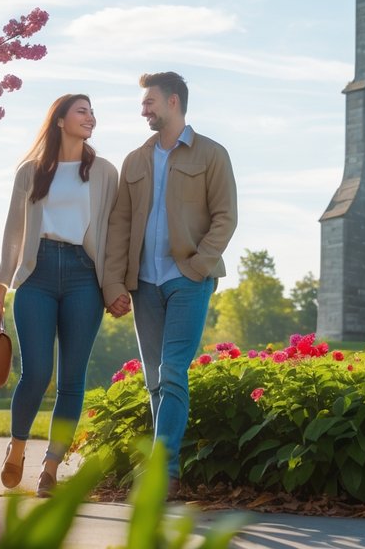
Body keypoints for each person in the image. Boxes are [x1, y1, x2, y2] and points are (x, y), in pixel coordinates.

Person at [103, 72, 237, 496]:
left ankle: (164, 471)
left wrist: (197, 266)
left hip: (187, 280)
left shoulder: (212, 154)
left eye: (150, 102)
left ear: (174, 102)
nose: (143, 110)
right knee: (154, 378)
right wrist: (114, 283)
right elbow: (120, 224)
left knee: (174, 370)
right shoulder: (134, 160)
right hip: (143, 283)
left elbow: (225, 217)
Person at [0, 94, 118, 498]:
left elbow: (115, 233)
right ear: (60, 120)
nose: (91, 118)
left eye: (92, 113)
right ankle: (18, 443)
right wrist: (0, 284)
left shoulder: (103, 172)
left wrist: (115, 285)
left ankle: (51, 466)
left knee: (72, 380)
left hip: (85, 275)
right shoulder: (31, 172)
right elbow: (14, 231)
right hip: (37, 275)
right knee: (37, 372)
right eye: (82, 111)